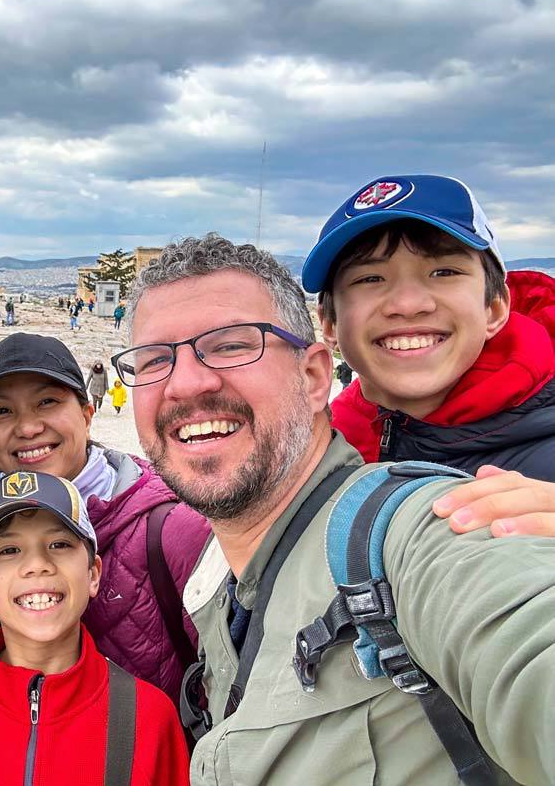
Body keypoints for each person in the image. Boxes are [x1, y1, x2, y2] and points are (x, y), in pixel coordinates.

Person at [117, 232, 555, 784]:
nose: (185, 383)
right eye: (155, 359)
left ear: (315, 375)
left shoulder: (416, 531)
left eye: (231, 345)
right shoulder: (220, 576)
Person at [0, 333, 207, 705]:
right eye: (2, 411)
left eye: (47, 402)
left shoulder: (171, 528)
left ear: (86, 413)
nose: (28, 428)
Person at [0, 472, 189, 786]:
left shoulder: (150, 717)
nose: (37, 564)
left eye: (59, 544)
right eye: (9, 550)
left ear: (93, 574)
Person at [301, 174, 555, 481]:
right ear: (330, 325)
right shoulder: (318, 450)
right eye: (369, 279)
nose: (408, 304)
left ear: (495, 308)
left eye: (443, 272)